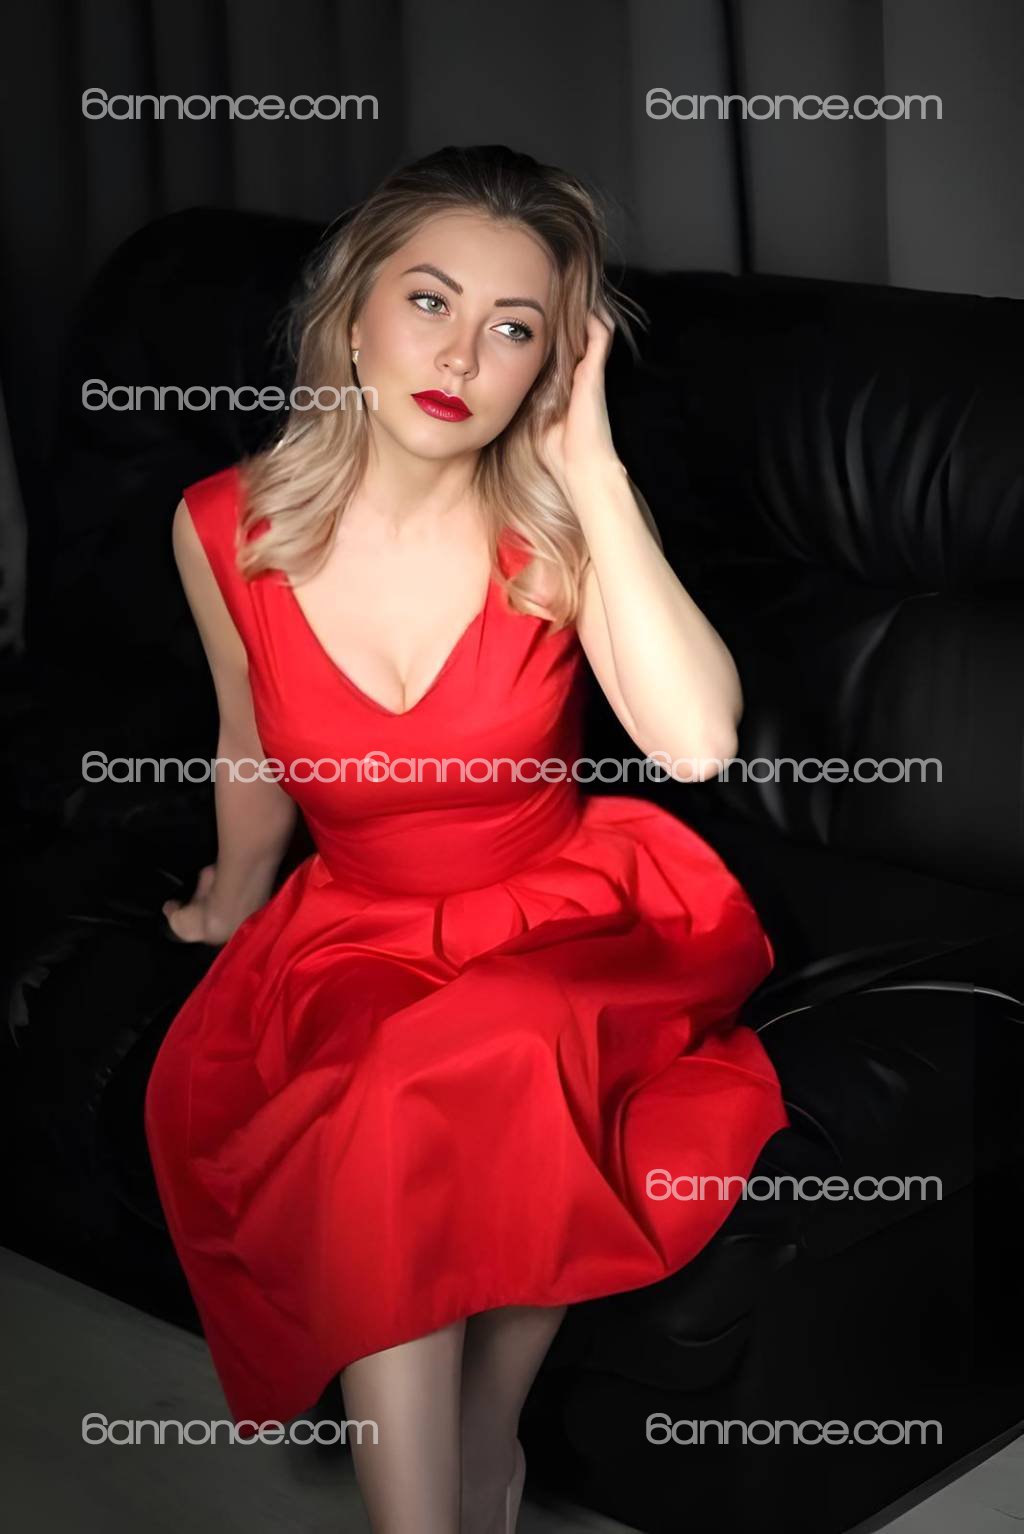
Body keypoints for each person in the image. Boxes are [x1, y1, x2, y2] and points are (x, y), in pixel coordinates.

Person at [144, 142, 790, 1534]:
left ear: (550, 367)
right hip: (359, 928)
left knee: (470, 1050)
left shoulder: (561, 528)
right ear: (351, 317)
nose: (461, 355)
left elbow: (695, 744)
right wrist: (231, 898)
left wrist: (592, 463)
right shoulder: (224, 528)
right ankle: (459, 1490)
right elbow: (250, 740)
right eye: (429, 301)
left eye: (515, 329)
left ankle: (454, 1479)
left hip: (573, 914)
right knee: (385, 1078)